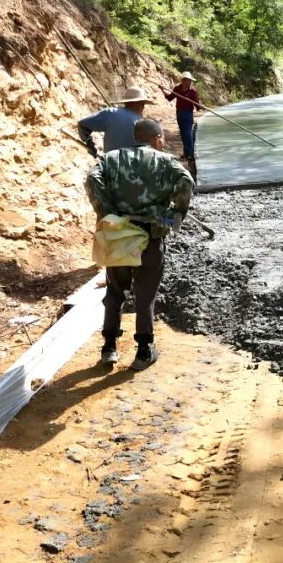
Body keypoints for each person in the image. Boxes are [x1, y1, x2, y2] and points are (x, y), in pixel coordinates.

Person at [84, 118, 195, 370]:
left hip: (119, 235)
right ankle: (144, 352)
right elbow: (186, 183)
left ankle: (109, 348)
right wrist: (174, 215)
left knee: (115, 292)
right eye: (162, 139)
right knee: (145, 296)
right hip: (149, 238)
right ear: (157, 138)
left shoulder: (112, 159)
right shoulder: (165, 161)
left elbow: (92, 179)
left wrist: (107, 211)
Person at [77, 87, 156, 158]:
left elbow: (82, 124)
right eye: (143, 103)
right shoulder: (144, 125)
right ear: (139, 103)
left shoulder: (110, 113)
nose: (143, 107)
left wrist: (89, 143)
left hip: (109, 167)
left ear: (126, 102)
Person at [164, 72, 203, 179]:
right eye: (187, 80)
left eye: (190, 81)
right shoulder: (177, 89)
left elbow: (197, 106)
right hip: (179, 113)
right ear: (183, 80)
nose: (189, 82)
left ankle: (190, 154)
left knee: (188, 133)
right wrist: (162, 90)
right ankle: (186, 153)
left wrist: (200, 105)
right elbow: (169, 98)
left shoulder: (193, 92)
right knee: (183, 132)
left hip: (188, 113)